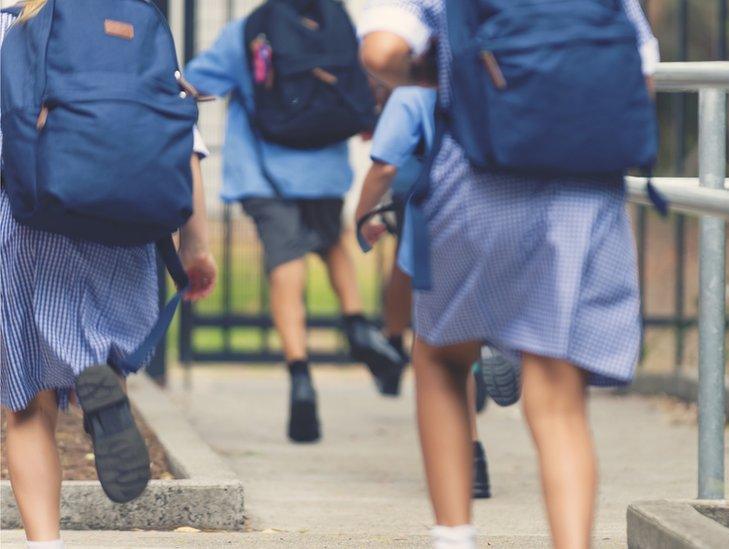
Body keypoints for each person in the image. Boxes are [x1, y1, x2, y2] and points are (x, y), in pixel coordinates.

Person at [358, 0, 659, 546]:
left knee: (442, 357)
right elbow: (642, 78)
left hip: (476, 182)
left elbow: (380, 50)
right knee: (558, 394)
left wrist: (425, 75)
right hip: (583, 193)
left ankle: (455, 535)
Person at [0, 2, 217, 547]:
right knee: (106, 349)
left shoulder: (11, 25)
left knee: (27, 404)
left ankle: (45, 542)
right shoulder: (135, 25)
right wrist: (196, 245)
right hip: (124, 216)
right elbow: (180, 140)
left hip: (30, 211)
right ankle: (106, 391)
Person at [184, 7, 406, 444]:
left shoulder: (247, 32)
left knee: (286, 260)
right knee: (332, 241)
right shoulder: (337, 24)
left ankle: (300, 375)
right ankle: (357, 323)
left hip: (263, 172)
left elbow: (192, 84)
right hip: (323, 166)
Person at [355, 57, 490, 499]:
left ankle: (470, 463)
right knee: (486, 310)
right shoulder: (494, 78)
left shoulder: (412, 96)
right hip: (506, 206)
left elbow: (386, 167)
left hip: (440, 217)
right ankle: (498, 348)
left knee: (440, 341)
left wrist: (361, 217)